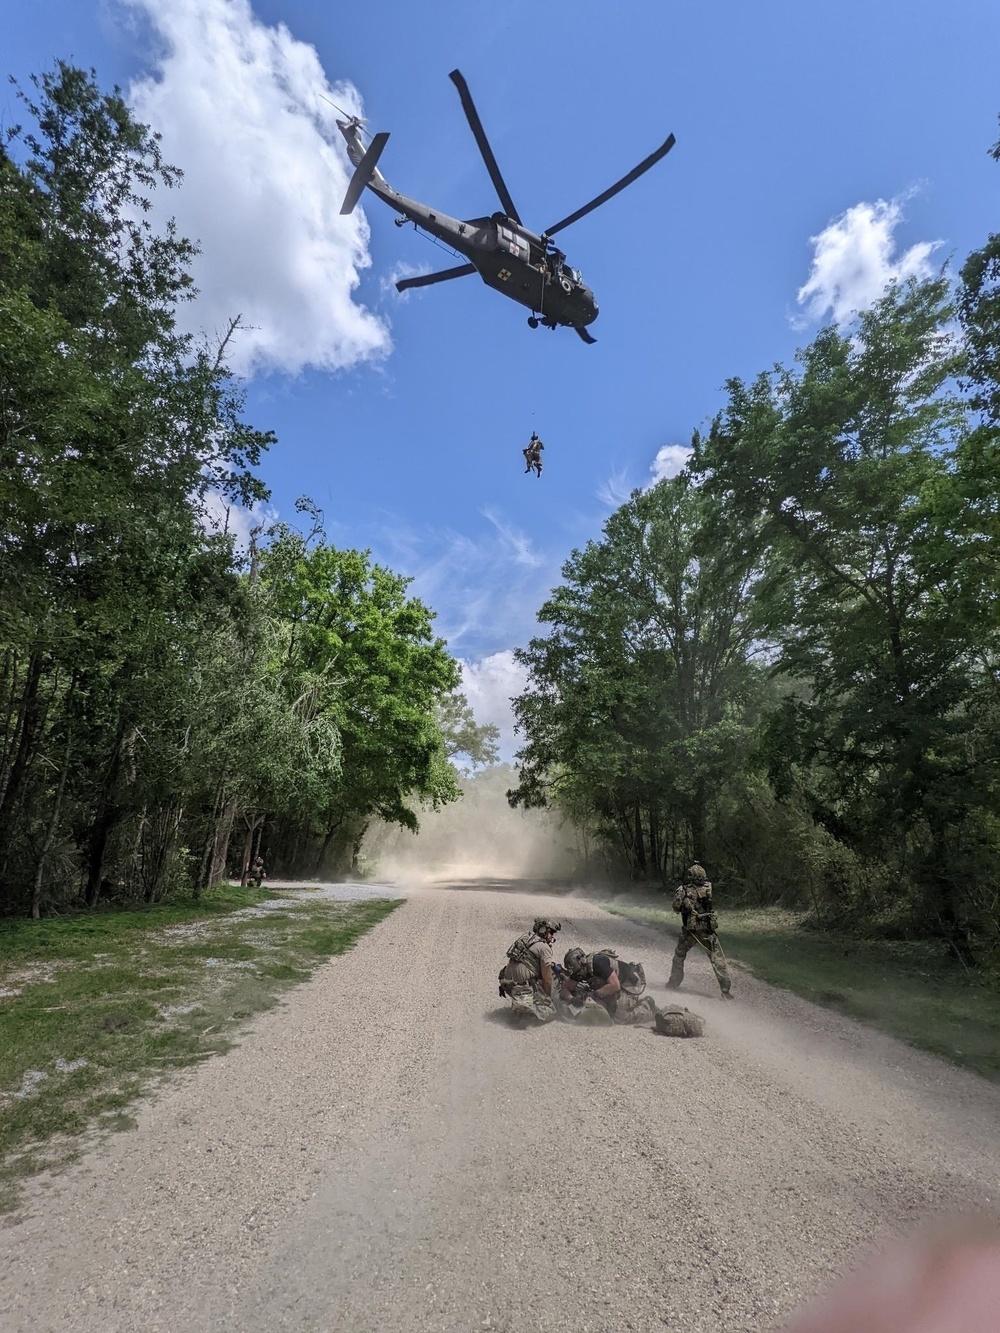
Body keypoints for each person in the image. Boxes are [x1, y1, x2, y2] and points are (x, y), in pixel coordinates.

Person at [666, 862, 733, 999]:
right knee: (717, 959)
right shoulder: (708, 889)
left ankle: (674, 983)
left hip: (691, 931)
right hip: (707, 929)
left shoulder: (683, 889)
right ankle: (725, 991)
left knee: (679, 955)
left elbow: (676, 907)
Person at [559, 946, 658, 1025]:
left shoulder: (598, 963)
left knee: (620, 1018)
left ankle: (648, 1006)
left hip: (628, 983)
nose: (578, 976)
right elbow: (565, 990)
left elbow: (615, 986)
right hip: (612, 984)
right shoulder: (580, 971)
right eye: (576, 973)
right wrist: (573, 1000)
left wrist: (595, 994)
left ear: (582, 963)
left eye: (579, 972)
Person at [498, 917, 561, 1022]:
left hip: (507, 983)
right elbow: (547, 979)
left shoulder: (526, 939)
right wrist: (548, 998)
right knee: (551, 1013)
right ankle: (528, 1007)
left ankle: (523, 1001)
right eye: (551, 932)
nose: (552, 936)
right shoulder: (544, 948)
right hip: (523, 986)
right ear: (544, 931)